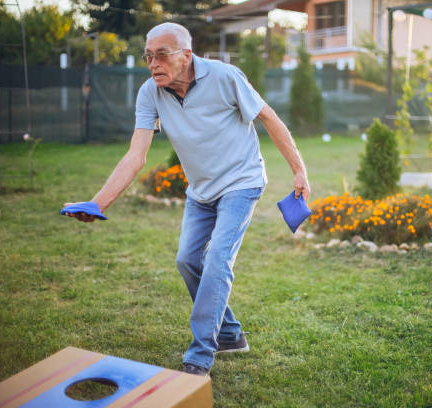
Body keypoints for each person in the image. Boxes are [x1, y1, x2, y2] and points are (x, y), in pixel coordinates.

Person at [64, 22, 311, 376]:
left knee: (217, 261)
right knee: (187, 261)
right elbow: (136, 155)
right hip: (201, 190)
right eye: (148, 56)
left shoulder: (226, 77)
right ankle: (229, 333)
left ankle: (199, 356)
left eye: (161, 55)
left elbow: (268, 117)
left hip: (241, 182)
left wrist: (299, 170)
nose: (153, 64)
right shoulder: (150, 93)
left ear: (186, 55)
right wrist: (98, 203)